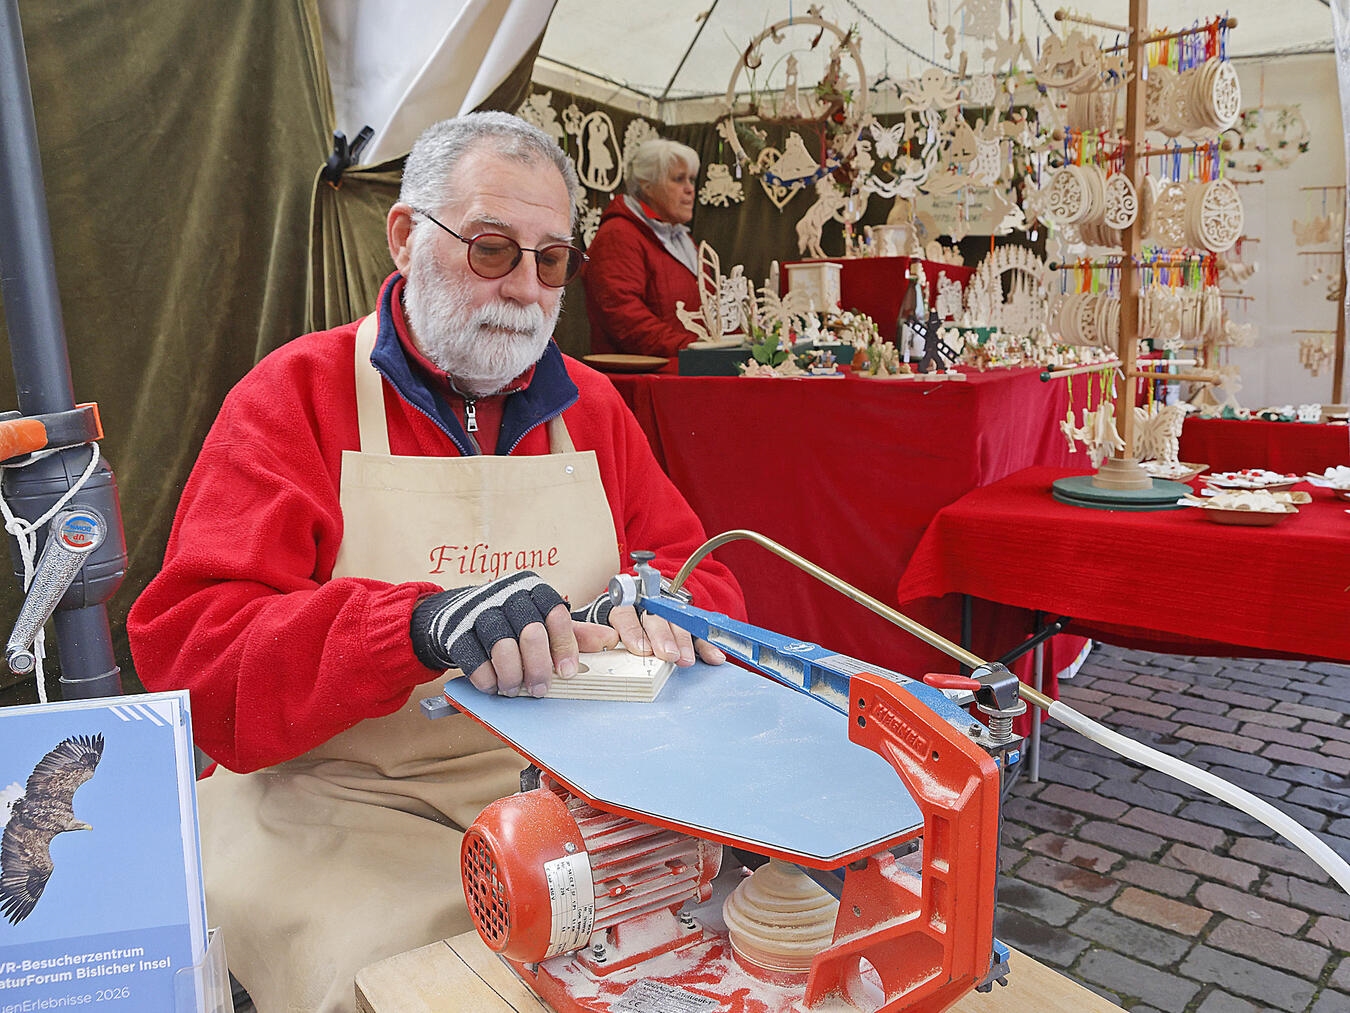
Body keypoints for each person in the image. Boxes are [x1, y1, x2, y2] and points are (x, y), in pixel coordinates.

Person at [127, 111, 745, 1013]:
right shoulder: (295, 396)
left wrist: (657, 605)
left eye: (551, 261)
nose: (524, 289)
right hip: (340, 803)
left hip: (570, 801)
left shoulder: (593, 408)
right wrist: (412, 626)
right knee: (441, 986)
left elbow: (699, 572)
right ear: (405, 236)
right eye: (491, 249)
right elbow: (195, 651)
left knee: (718, 952)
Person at [583, 137, 704, 357]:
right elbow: (624, 319)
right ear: (647, 186)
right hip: (644, 373)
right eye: (679, 179)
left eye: (691, 180)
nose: (690, 189)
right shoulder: (618, 235)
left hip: (685, 366)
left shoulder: (682, 238)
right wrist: (695, 347)